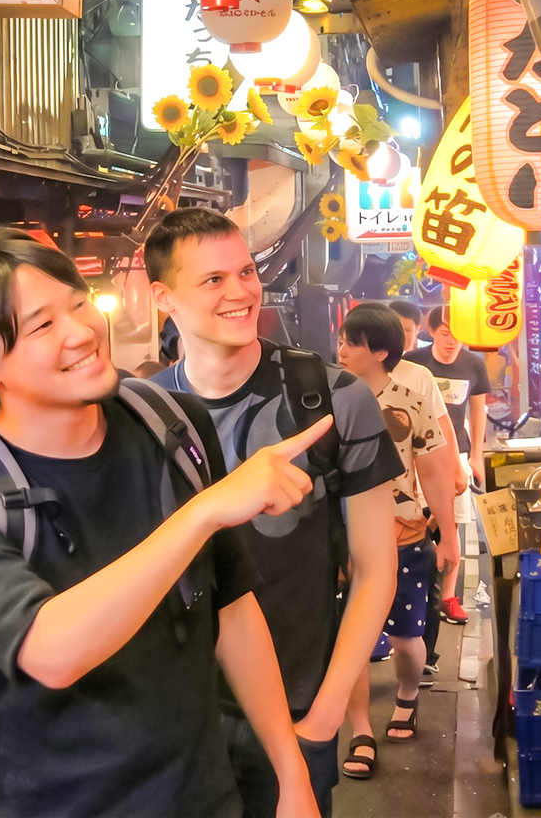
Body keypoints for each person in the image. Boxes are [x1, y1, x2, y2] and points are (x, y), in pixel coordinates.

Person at [0, 228, 322, 818]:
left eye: (78, 303)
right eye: (43, 325)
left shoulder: (172, 428)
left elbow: (230, 609)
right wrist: (204, 510)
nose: (81, 332)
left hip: (198, 794)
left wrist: (290, 772)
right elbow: (51, 649)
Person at [146, 208, 407, 816]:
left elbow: (375, 569)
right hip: (173, 718)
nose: (240, 292)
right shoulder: (142, 413)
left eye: (245, 272)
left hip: (296, 710)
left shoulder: (333, 400)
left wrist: (324, 718)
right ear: (164, 297)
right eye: (213, 280)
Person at [334, 304, 457, 778]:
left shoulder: (411, 397)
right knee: (353, 638)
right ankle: (360, 729)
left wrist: (446, 533)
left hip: (404, 535)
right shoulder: (327, 398)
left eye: (351, 342)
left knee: (407, 638)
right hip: (346, 541)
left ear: (379, 351)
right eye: (342, 340)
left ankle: (407, 695)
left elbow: (433, 468)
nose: (341, 350)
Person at [405, 306, 490, 625]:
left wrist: (477, 456)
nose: (451, 341)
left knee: (452, 523)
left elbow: (478, 411)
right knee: (417, 519)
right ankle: (416, 587)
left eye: (457, 336)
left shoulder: (474, 365)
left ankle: (449, 596)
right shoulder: (415, 362)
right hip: (416, 453)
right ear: (432, 332)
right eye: (444, 334)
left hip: (456, 454)